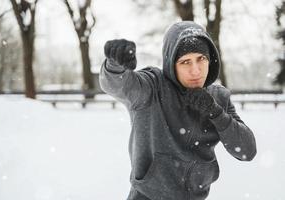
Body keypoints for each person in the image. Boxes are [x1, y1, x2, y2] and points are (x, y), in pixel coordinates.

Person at [99, 21, 257, 200]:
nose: (195, 70)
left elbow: (247, 150)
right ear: (171, 63)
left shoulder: (218, 97)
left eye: (201, 59)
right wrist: (114, 65)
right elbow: (118, 85)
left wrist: (216, 113)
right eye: (185, 62)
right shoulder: (152, 88)